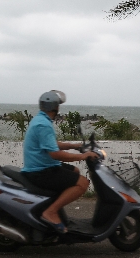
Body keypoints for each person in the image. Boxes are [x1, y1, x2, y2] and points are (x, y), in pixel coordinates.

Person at [21, 90, 98, 234]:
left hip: (42, 166)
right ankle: (51, 212)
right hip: (41, 171)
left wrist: (75, 146)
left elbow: (52, 144)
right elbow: (55, 154)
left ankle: (52, 205)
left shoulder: (40, 120)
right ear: (54, 107)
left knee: (75, 171)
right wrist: (83, 156)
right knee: (83, 183)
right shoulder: (43, 125)